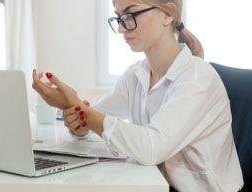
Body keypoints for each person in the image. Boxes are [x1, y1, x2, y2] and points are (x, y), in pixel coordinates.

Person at [32, 0, 244, 191]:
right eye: (119, 17)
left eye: (131, 14)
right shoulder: (135, 74)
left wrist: (80, 109)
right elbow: (96, 118)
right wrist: (77, 121)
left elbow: (151, 148)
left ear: (168, 13)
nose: (122, 27)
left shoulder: (197, 78)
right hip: (159, 185)